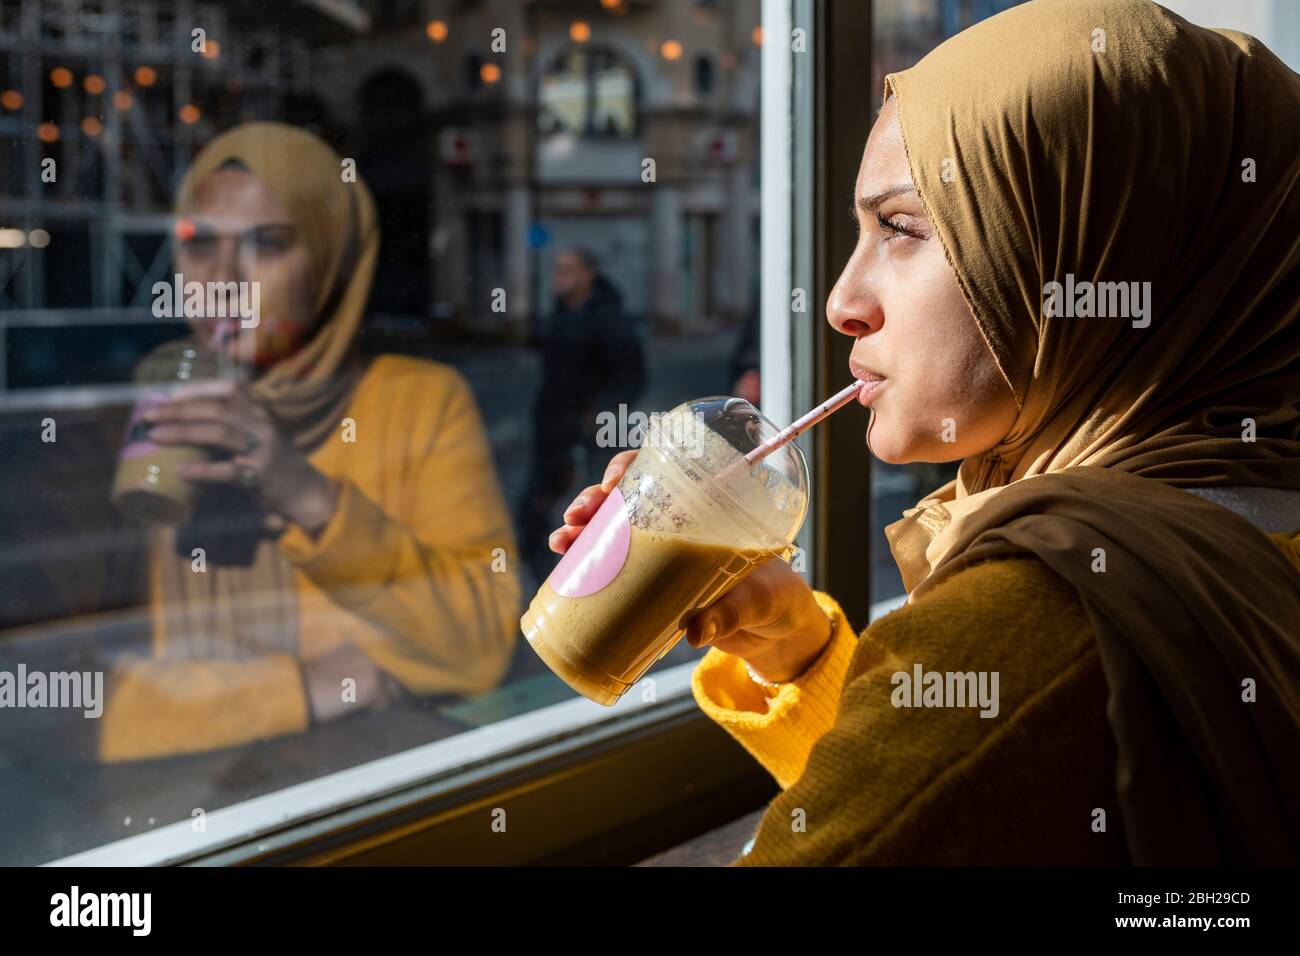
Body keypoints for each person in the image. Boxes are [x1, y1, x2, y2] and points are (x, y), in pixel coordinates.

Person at [551, 0, 1300, 865]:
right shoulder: (1249, 514)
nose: (840, 302)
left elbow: (976, 760)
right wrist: (801, 656)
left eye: (900, 228)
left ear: (1092, 256)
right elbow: (989, 809)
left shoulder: (1048, 612)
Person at [99, 122, 520, 762]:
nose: (222, 278)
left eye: (266, 245)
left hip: (372, 791)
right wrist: (308, 686)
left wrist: (308, 496)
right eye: (196, 243)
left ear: (329, 260)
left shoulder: (419, 402)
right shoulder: (165, 404)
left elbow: (478, 647)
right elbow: (87, 694)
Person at [520, 247, 645, 577]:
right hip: (552, 429)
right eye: (557, 270)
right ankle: (552, 582)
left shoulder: (608, 318)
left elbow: (632, 374)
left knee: (593, 515)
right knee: (531, 513)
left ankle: (595, 581)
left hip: (591, 432)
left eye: (568, 270)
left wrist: (601, 412)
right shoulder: (557, 316)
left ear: (588, 274)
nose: (559, 277)